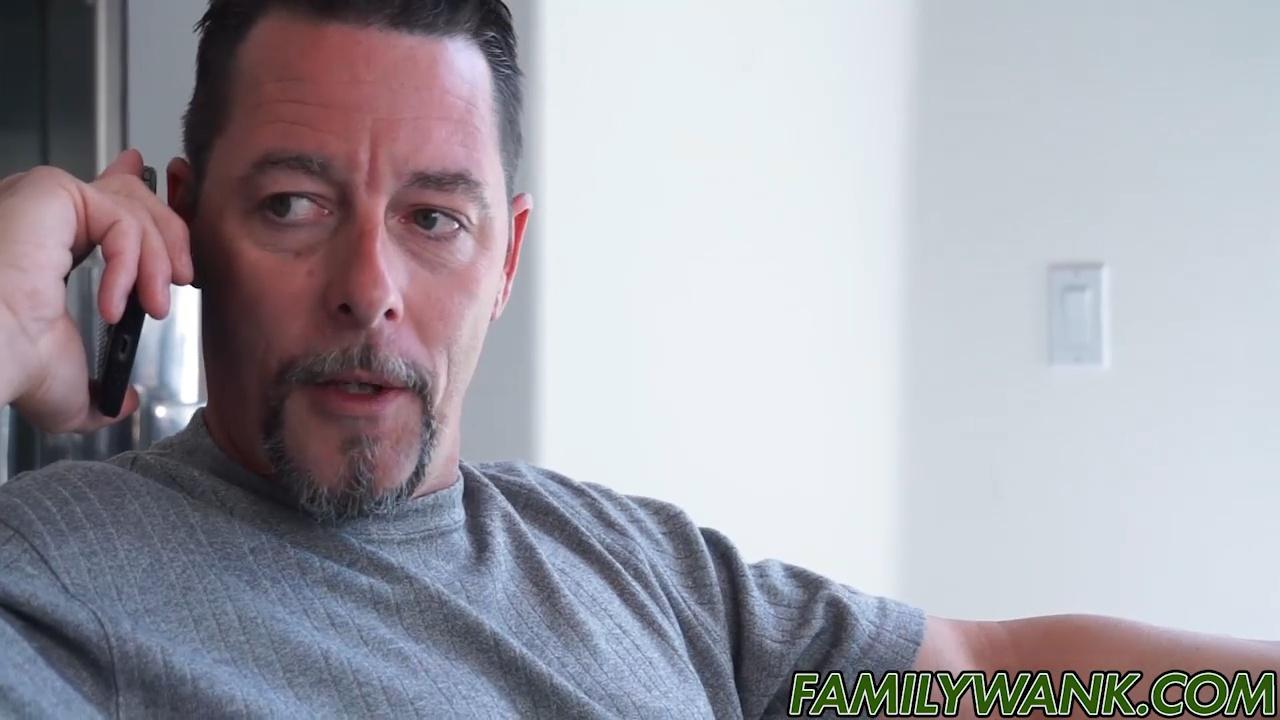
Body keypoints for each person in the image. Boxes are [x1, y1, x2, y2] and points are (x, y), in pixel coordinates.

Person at [0, 1, 1274, 717]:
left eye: (434, 219)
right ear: (186, 222)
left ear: (506, 257)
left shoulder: (637, 569)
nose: (368, 288)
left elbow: (976, 681)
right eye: (294, 204)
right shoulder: (58, 582)